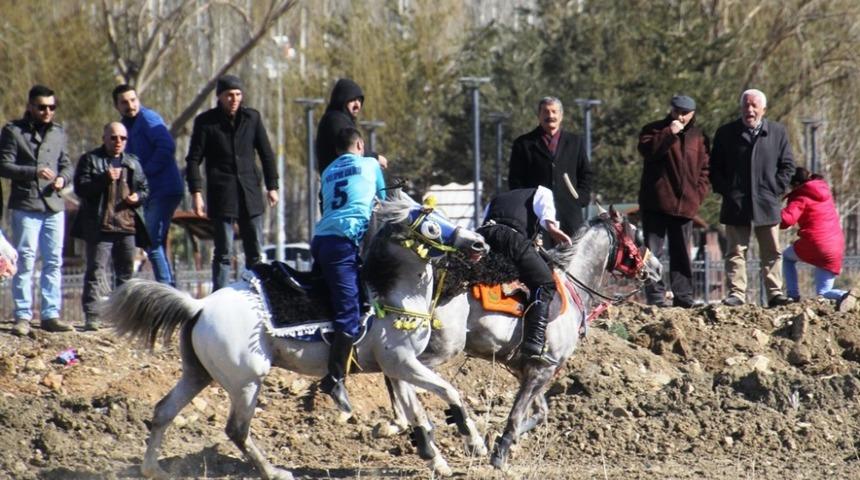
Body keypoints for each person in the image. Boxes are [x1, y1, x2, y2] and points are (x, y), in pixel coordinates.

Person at [313, 127, 385, 414]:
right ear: (359, 144)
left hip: (321, 240)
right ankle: (334, 378)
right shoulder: (370, 164)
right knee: (349, 315)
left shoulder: (328, 171)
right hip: (343, 244)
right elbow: (384, 201)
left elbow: (324, 204)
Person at [186, 75, 279, 291]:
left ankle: (258, 293)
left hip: (250, 193)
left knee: (255, 251)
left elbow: (266, 154)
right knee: (223, 252)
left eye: (238, 94)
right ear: (219, 97)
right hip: (222, 194)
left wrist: (272, 186)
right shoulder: (206, 122)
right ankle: (219, 296)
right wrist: (196, 192)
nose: (234, 99)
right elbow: (193, 160)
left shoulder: (252, 118)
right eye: (229, 95)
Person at [710, 89, 795, 308]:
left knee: (772, 252)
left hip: (767, 203)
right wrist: (728, 191)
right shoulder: (726, 133)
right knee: (735, 252)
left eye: (754, 106)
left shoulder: (777, 132)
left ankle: (775, 293)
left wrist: (774, 189)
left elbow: (787, 166)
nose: (750, 110)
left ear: (763, 109)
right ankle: (737, 294)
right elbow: (714, 169)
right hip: (736, 204)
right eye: (746, 105)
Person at [0, 85, 73, 336]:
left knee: (53, 260)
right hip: (26, 204)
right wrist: (34, 172)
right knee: (26, 259)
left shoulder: (58, 133)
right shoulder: (13, 131)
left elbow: (66, 164)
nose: (47, 112)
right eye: (42, 107)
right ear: (30, 106)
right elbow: (4, 166)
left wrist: (63, 178)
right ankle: (22, 315)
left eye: (52, 107)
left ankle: (51, 314)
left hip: (54, 205)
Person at [478, 186, 572, 363]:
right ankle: (534, 343)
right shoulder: (542, 191)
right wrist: (555, 232)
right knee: (545, 283)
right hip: (510, 239)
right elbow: (548, 221)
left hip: (484, 235)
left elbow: (484, 221)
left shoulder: (497, 197)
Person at [73, 123, 150, 331]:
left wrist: (138, 197)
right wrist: (103, 179)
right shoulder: (90, 160)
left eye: (122, 138)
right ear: (104, 138)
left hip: (126, 226)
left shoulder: (133, 162)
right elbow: (81, 188)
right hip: (100, 226)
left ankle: (124, 318)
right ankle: (92, 316)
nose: (118, 142)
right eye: (113, 137)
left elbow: (144, 188)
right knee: (96, 272)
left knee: (126, 275)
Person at [637, 95, 710, 308]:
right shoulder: (653, 130)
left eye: (685, 113)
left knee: (682, 254)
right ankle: (655, 296)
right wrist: (670, 133)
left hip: (686, 206)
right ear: (671, 110)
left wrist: (697, 196)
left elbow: (705, 169)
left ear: (693, 113)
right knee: (652, 253)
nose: (680, 116)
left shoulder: (699, 137)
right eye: (677, 111)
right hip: (656, 204)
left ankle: (684, 296)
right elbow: (648, 152)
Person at [113, 84, 183, 286]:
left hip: (164, 189)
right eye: (124, 102)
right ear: (117, 105)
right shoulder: (125, 126)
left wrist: (144, 173)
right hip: (149, 193)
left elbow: (166, 146)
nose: (130, 105)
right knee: (153, 242)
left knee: (152, 242)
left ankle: (167, 291)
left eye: (133, 100)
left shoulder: (148, 118)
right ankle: (169, 290)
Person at [508, 96, 594, 236]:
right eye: (546, 112)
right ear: (539, 115)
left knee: (571, 254)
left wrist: (581, 198)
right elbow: (515, 179)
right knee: (539, 255)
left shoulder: (575, 142)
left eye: (554, 112)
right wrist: (526, 203)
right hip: (536, 214)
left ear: (561, 115)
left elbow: (585, 173)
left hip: (569, 213)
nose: (550, 116)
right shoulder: (523, 144)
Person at [780, 167, 855, 311]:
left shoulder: (801, 196)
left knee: (787, 257)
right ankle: (847, 295)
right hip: (836, 245)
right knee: (823, 293)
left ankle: (793, 295)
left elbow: (786, 220)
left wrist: (770, 212)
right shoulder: (823, 191)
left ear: (795, 184)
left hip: (816, 243)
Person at [315, 78, 388, 173]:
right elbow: (352, 145)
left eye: (359, 100)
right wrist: (375, 158)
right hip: (339, 182)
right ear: (342, 100)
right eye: (353, 100)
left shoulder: (337, 118)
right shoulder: (336, 120)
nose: (357, 105)